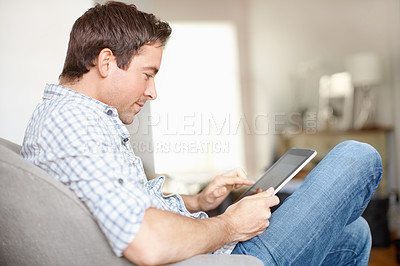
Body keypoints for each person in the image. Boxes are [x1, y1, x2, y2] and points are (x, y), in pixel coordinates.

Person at [21, 1, 382, 265]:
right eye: (148, 74)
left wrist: (197, 203)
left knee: (354, 236)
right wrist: (230, 223)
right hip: (225, 257)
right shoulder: (71, 124)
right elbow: (145, 241)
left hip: (208, 248)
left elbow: (123, 200)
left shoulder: (79, 117)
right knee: (358, 156)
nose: (152, 92)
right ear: (105, 62)